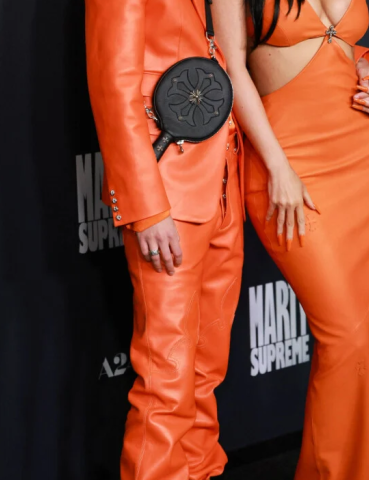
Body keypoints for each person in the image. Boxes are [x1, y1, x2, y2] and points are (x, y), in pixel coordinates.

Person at [212, 0, 369, 478]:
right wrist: (277, 166)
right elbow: (232, 68)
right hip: (289, 162)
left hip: (367, 157)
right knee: (346, 334)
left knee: (368, 332)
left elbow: (345, 45)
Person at [85, 1, 244, 479]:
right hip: (168, 190)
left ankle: (201, 471)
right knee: (167, 378)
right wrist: (146, 206)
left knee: (205, 373)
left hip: (224, 179)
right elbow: (113, 82)